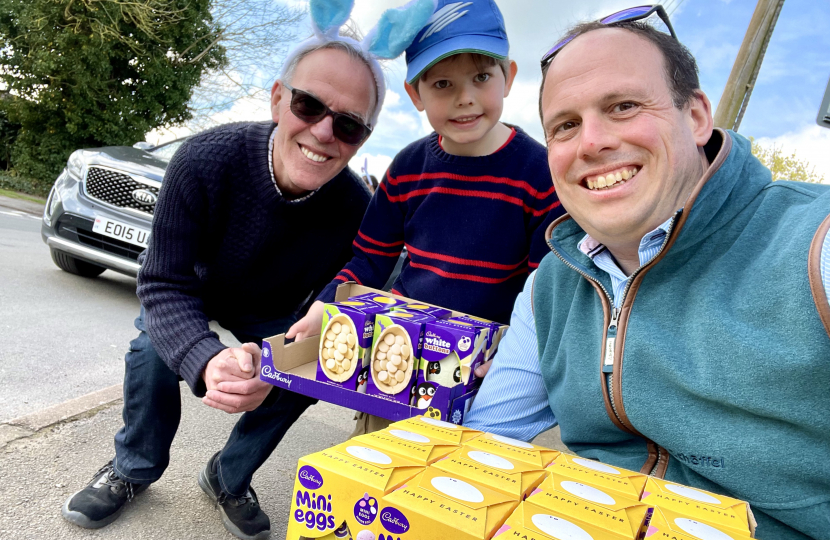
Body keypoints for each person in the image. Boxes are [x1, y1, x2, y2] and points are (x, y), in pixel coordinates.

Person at [59, 0, 436, 537]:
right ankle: (132, 467)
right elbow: (161, 283)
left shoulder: (355, 207)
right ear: (279, 98)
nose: (325, 132)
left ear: (365, 138)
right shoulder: (206, 159)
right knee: (152, 348)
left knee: (312, 372)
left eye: (349, 125)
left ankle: (229, 474)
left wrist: (305, 336)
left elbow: (351, 283)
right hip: (195, 290)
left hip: (272, 312)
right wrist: (206, 359)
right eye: (309, 105)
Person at [464, 7, 830, 540]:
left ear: (697, 117)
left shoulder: (814, 243)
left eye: (624, 106)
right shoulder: (552, 284)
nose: (591, 142)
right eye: (565, 126)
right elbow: (489, 446)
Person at [287, 0, 564, 435]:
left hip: (484, 374)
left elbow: (544, 288)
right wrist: (327, 303)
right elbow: (370, 261)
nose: (465, 97)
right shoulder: (407, 168)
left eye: (481, 77)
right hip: (397, 361)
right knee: (373, 475)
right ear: (415, 94)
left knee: (457, 490)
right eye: (441, 84)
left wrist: (518, 347)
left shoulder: (540, 174)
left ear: (509, 77)